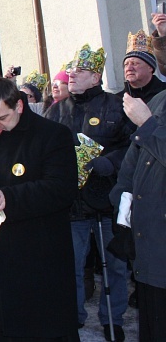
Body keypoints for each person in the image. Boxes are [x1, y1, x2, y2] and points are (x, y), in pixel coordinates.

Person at [0, 78, 79, 341]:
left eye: (2, 117)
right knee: (3, 327)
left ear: (19, 106)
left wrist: (8, 197)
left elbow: (61, 189)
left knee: (45, 328)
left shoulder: (53, 134)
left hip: (41, 250)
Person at [44, 44, 131, 341]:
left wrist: (109, 162)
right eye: (70, 70)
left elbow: (132, 146)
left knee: (115, 266)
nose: (71, 75)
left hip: (107, 199)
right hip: (71, 204)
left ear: (96, 77)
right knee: (71, 264)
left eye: (79, 71)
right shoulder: (56, 110)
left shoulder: (116, 105)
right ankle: (74, 316)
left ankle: (113, 318)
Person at [110, 89, 166, 341]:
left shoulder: (150, 112)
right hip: (148, 249)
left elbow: (149, 133)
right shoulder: (160, 99)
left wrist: (147, 123)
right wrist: (120, 198)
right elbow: (135, 156)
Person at [116, 30, 166, 105]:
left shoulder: (163, 93)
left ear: (150, 67)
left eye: (134, 63)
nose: (129, 68)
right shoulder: (116, 100)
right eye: (126, 64)